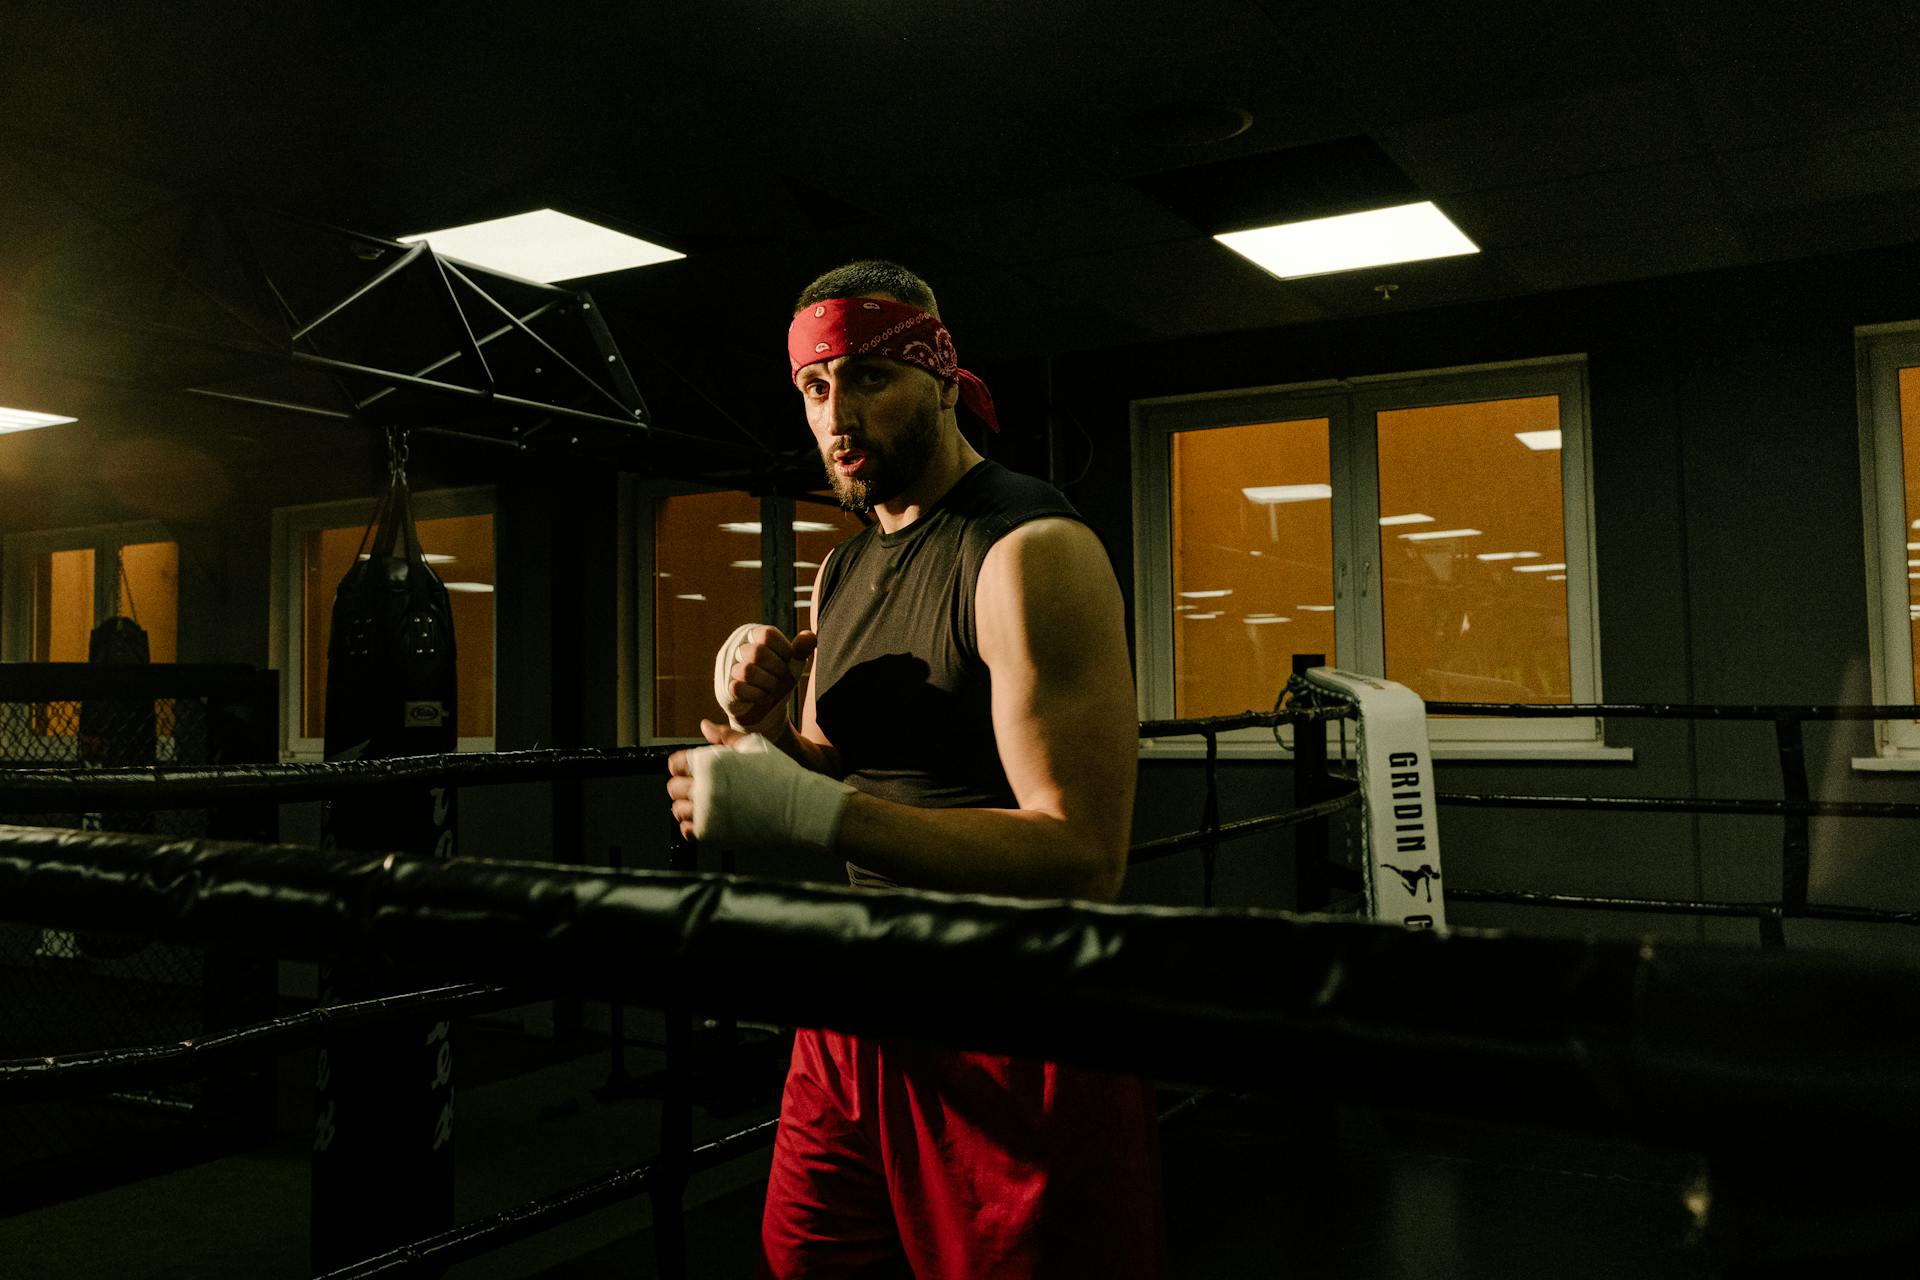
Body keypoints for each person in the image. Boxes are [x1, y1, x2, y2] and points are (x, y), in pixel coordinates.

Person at [666, 260, 1162, 1279]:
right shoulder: (843, 568)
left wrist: (811, 813)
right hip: (856, 998)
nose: (836, 414)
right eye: (814, 388)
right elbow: (837, 771)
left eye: (867, 378)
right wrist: (756, 724)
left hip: (1008, 1015)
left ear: (940, 378)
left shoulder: (1029, 548)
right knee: (810, 1256)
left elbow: (1082, 854)